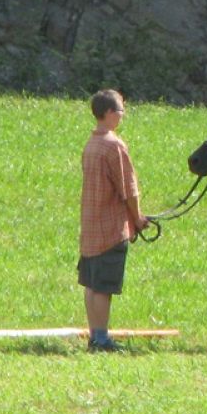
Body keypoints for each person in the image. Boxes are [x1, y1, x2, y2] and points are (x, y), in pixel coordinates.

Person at [78, 89, 148, 352]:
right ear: (108, 113)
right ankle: (102, 338)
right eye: (120, 110)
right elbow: (128, 189)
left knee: (91, 284)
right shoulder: (113, 145)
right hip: (110, 229)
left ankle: (95, 335)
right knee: (104, 287)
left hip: (90, 227)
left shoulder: (91, 144)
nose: (123, 115)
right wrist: (138, 218)